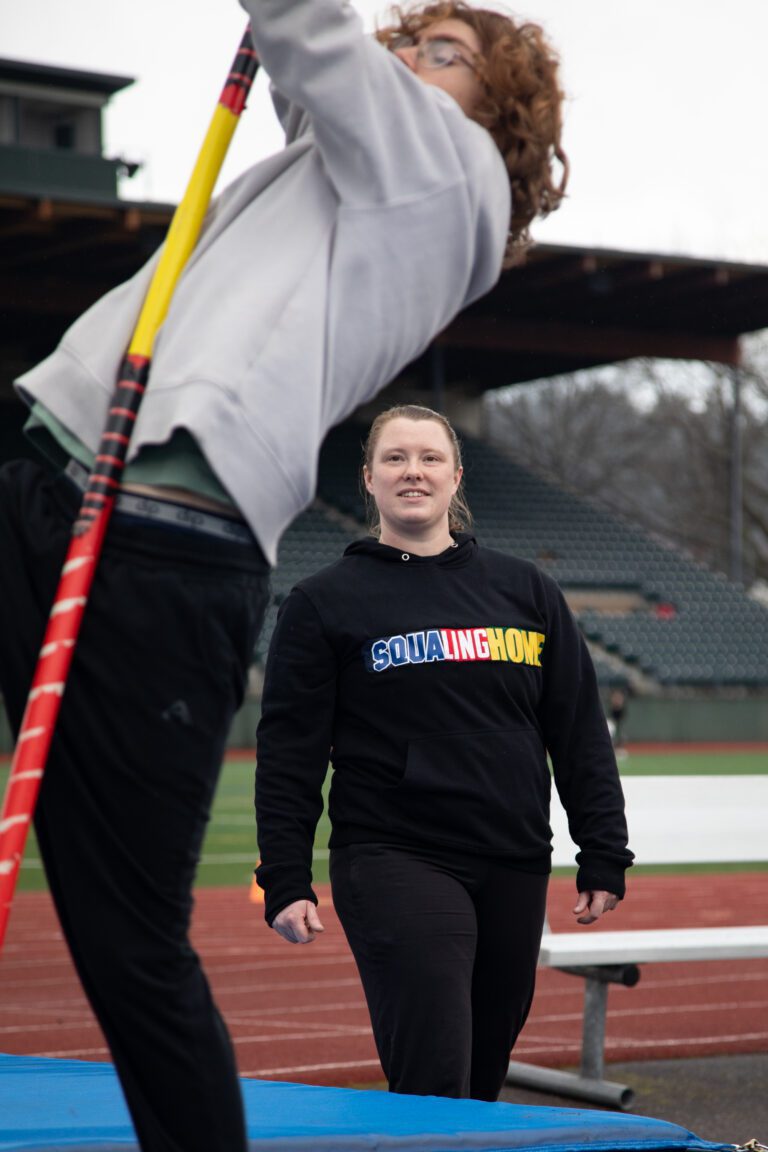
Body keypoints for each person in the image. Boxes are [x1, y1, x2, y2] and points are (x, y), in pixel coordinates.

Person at [0, 0, 567, 1148]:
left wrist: (335, 40)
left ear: (496, 121)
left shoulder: (453, 178)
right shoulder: (338, 165)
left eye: (442, 53)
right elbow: (312, 70)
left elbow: (310, 33)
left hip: (162, 544)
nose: (409, 58)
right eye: (409, 40)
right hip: (49, 468)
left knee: (127, 942)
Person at [255, 404, 633, 1102]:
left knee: (483, 1074)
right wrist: (285, 873)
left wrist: (603, 848)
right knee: (435, 1068)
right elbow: (290, 752)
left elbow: (577, 730)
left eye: (429, 458)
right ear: (368, 479)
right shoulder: (323, 603)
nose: (413, 472)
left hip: (514, 856)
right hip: (396, 855)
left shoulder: (527, 591)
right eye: (395, 458)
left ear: (456, 476)